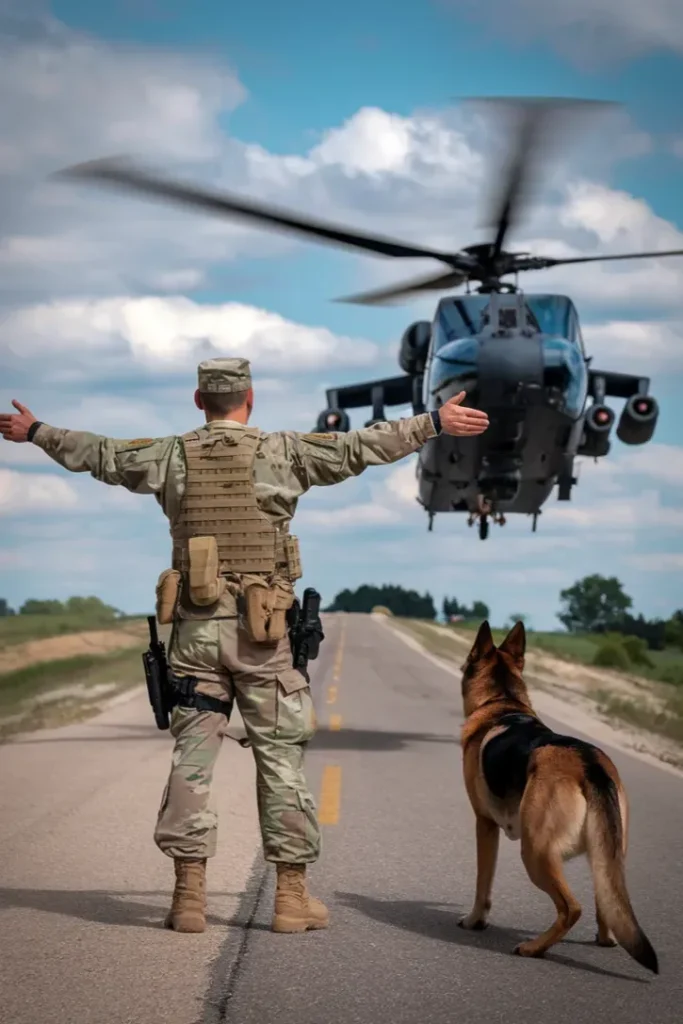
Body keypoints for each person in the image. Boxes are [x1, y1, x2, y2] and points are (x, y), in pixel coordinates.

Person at [0, 358, 489, 935]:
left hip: (194, 635)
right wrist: (432, 421)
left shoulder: (171, 455)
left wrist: (36, 432)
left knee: (193, 757)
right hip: (263, 636)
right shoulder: (284, 452)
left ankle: (188, 898)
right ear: (249, 399)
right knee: (280, 756)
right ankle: (289, 898)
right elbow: (363, 447)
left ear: (198, 400)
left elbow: (102, 455)